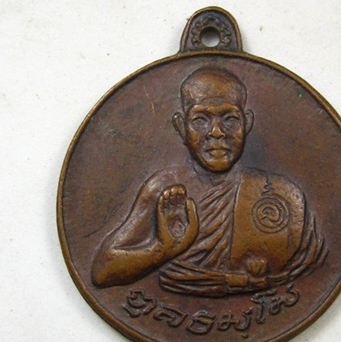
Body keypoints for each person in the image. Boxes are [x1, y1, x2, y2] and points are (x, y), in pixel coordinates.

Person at [91, 66, 326, 297]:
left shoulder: (282, 194)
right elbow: (102, 271)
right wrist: (161, 250)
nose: (216, 132)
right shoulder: (164, 189)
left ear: (247, 123)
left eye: (230, 119)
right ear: (181, 127)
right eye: (200, 120)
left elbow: (311, 270)